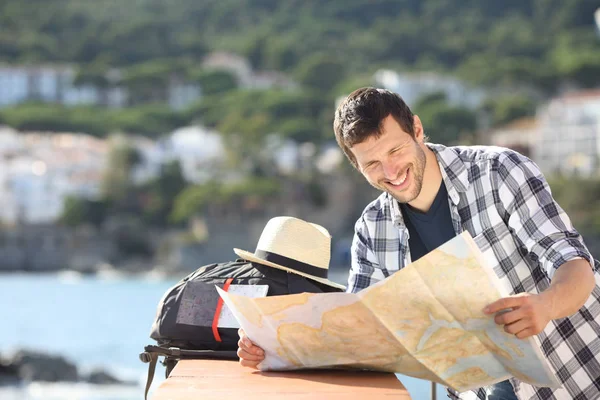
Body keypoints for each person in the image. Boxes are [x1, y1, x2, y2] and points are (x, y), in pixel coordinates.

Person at [237, 87, 600, 400]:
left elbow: (575, 264)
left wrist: (546, 305)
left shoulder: (499, 171)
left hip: (577, 372)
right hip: (482, 390)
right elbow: (355, 338)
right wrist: (270, 350)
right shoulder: (372, 228)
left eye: (395, 151)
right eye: (373, 164)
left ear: (417, 130)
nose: (390, 172)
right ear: (356, 166)